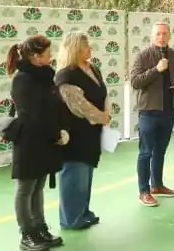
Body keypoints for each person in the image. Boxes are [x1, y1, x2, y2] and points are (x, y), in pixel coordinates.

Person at [6, 35, 68, 250]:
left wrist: (58, 131)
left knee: (38, 186)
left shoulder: (45, 76)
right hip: (29, 142)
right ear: (35, 56)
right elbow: (32, 115)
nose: (51, 56)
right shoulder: (22, 79)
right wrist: (54, 133)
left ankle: (40, 229)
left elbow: (51, 108)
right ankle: (27, 234)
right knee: (25, 189)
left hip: (45, 140)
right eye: (48, 53)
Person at [55, 31, 109, 231]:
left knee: (86, 175)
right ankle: (70, 218)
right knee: (74, 175)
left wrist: (106, 113)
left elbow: (103, 93)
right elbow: (79, 105)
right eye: (86, 46)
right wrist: (101, 117)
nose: (90, 49)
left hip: (92, 132)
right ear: (76, 49)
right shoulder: (66, 75)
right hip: (75, 133)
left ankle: (83, 211)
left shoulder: (92, 68)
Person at [129, 21, 174, 207]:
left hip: (168, 110)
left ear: (169, 35)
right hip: (149, 111)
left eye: (164, 33)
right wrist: (156, 70)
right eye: (158, 34)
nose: (161, 37)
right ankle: (143, 191)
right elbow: (135, 82)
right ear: (152, 36)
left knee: (160, 151)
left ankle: (157, 185)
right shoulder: (143, 56)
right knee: (145, 152)